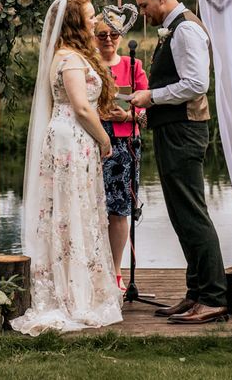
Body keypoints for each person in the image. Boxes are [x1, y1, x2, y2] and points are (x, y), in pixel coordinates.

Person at [11, 0, 123, 336]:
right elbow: (81, 107)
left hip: (72, 138)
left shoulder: (70, 55)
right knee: (69, 210)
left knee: (75, 208)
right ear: (75, 23)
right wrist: (105, 139)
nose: (95, 22)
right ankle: (71, 294)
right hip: (70, 139)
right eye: (90, 17)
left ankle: (80, 285)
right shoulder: (70, 59)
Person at [129, 0, 228, 324]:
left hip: (186, 131)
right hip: (174, 130)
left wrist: (151, 97)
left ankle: (214, 298)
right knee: (181, 215)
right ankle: (195, 293)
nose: (143, 13)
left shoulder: (185, 28)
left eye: (143, 6)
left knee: (192, 214)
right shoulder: (173, 28)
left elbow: (196, 84)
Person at [95, 15, 149, 291]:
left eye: (114, 34)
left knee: (119, 210)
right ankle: (93, 270)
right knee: (91, 209)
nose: (108, 39)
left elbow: (146, 108)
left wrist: (128, 115)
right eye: (102, 34)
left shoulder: (133, 65)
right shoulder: (87, 64)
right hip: (91, 141)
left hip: (124, 145)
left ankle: (115, 271)